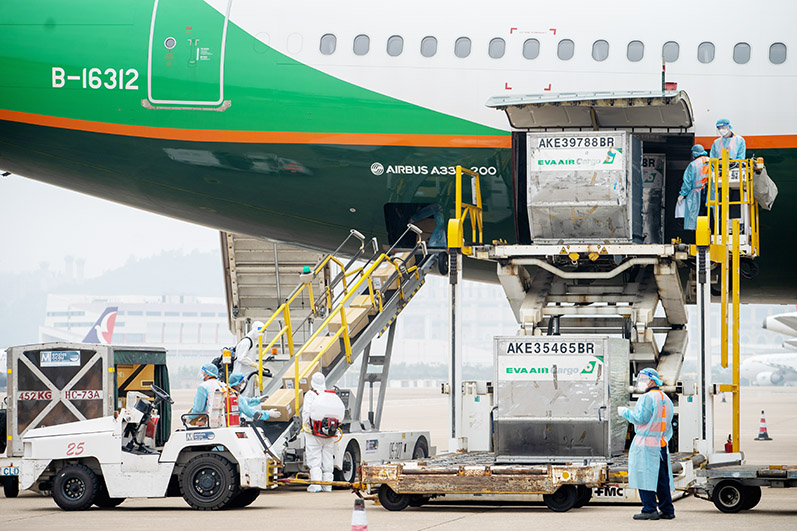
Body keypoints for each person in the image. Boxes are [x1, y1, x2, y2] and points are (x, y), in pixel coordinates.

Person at [617, 368, 675, 520]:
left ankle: (649, 509)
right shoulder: (665, 398)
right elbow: (668, 426)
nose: (641, 382)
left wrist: (625, 412)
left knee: (645, 476)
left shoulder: (647, 398)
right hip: (661, 443)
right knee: (661, 479)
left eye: (643, 379)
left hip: (645, 444)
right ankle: (667, 510)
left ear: (652, 381)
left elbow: (640, 418)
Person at [302, 373, 345, 493]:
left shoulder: (310, 395)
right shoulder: (329, 395)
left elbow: (307, 412)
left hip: (314, 432)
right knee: (328, 458)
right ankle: (327, 486)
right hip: (329, 433)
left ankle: (316, 485)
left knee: (314, 458)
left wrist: (305, 425)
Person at [677, 145, 711, 230]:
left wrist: (682, 194)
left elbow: (687, 182)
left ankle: (699, 234)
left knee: (697, 216)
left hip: (697, 194)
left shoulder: (693, 164)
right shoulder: (712, 162)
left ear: (694, 154)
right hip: (711, 193)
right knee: (710, 215)